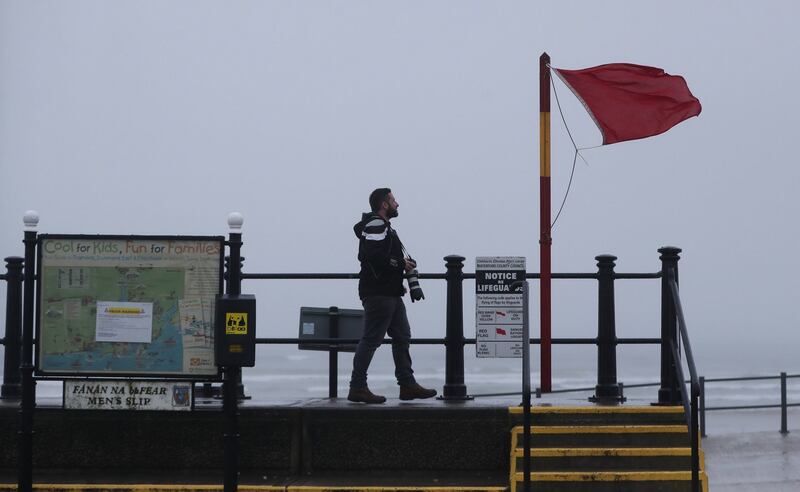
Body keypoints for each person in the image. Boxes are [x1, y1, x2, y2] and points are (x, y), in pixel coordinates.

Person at [347, 188, 438, 404]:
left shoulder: (383, 227)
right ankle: (357, 387)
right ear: (384, 204)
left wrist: (400, 277)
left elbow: (380, 256)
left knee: (402, 336)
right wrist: (401, 264)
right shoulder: (376, 224)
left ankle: (407, 385)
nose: (398, 204)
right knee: (371, 340)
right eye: (394, 200)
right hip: (379, 293)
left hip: (390, 293)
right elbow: (373, 255)